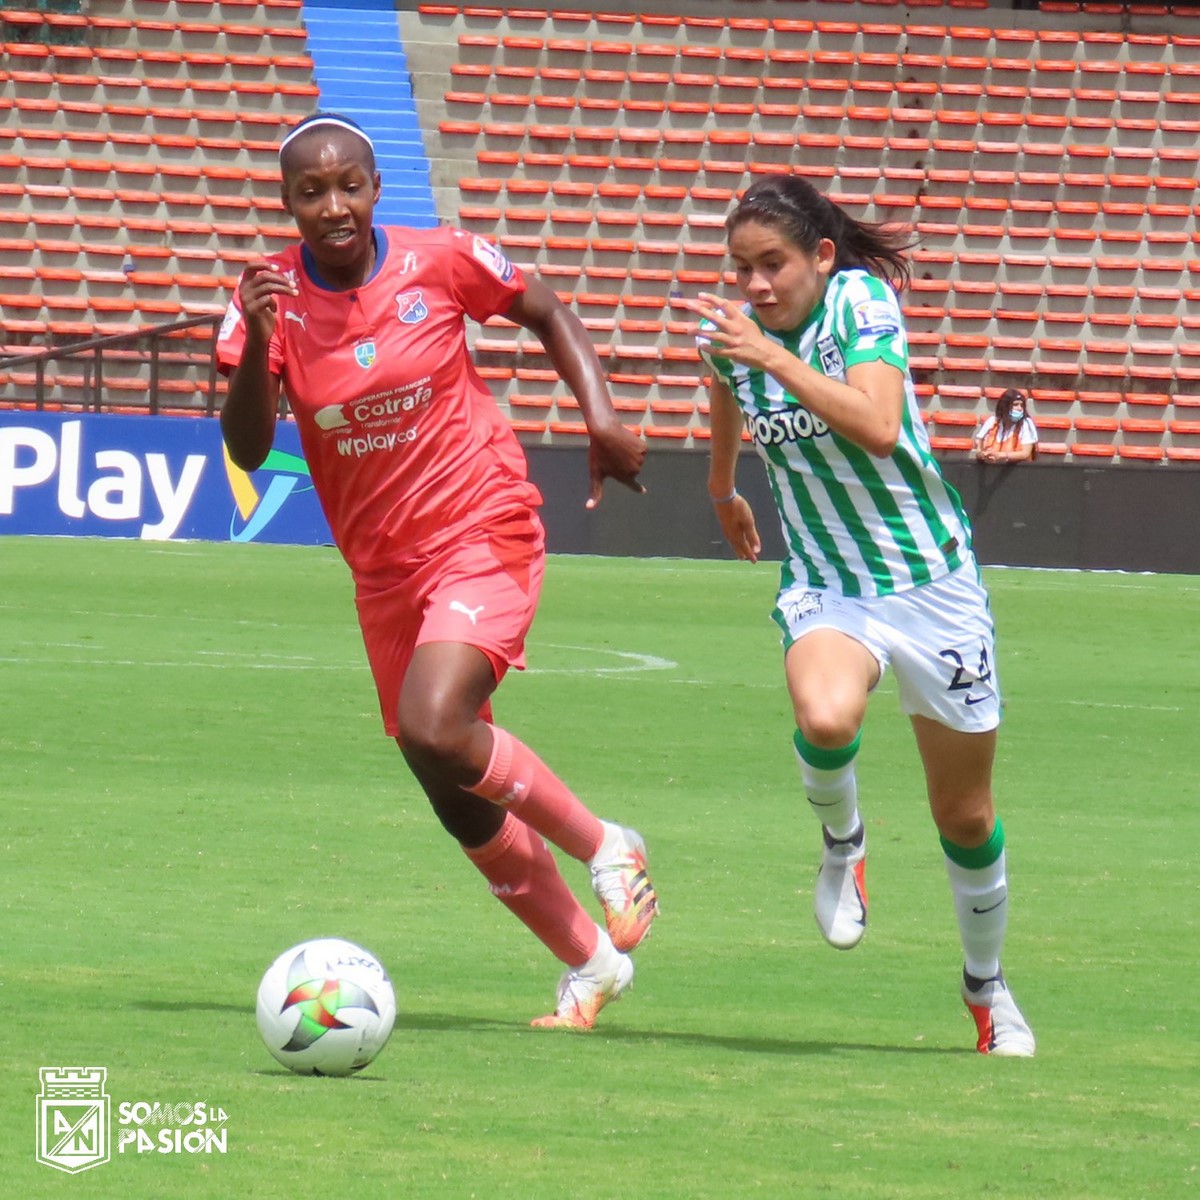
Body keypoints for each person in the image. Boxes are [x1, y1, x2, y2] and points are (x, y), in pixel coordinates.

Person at [215, 112, 657, 1030]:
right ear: (288, 201)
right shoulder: (265, 302)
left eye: (349, 185)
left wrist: (602, 416)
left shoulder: (441, 258)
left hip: (479, 523)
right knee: (448, 785)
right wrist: (260, 345)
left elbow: (544, 306)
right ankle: (591, 964)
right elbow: (250, 447)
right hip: (382, 569)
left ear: (376, 189)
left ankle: (607, 843)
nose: (332, 206)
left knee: (434, 722)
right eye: (310, 191)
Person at [688, 174, 1035, 1056]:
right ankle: (844, 842)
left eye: (773, 265)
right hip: (828, 582)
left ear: (822, 257)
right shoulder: (735, 339)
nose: (757, 286)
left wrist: (775, 358)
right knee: (825, 712)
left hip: (932, 584)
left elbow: (879, 427)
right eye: (743, 270)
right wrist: (723, 485)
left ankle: (987, 990)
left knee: (963, 812)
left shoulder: (859, 305)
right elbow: (727, 386)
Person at [974, 389, 1038, 463]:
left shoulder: (1026, 424)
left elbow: (1025, 453)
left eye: (1022, 405)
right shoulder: (991, 421)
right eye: (1015, 405)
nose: (1020, 408)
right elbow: (979, 450)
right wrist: (984, 455)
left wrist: (1001, 455)